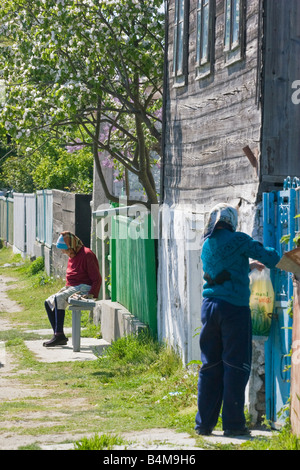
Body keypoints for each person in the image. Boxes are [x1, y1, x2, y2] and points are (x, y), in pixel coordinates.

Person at [195, 203, 280, 437]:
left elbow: (222, 269)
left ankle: (204, 424)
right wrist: (282, 255)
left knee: (210, 366)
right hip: (233, 310)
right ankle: (233, 425)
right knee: (235, 365)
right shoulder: (240, 240)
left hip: (209, 308)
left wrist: (246, 265)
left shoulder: (207, 244)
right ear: (232, 220)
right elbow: (270, 258)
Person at [43, 231, 102, 347]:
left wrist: (91, 294)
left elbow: (97, 278)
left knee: (58, 298)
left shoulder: (87, 254)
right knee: (48, 302)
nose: (63, 252)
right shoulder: (72, 254)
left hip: (84, 287)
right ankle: (58, 335)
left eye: (64, 249)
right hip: (73, 287)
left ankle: (58, 335)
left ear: (71, 245)